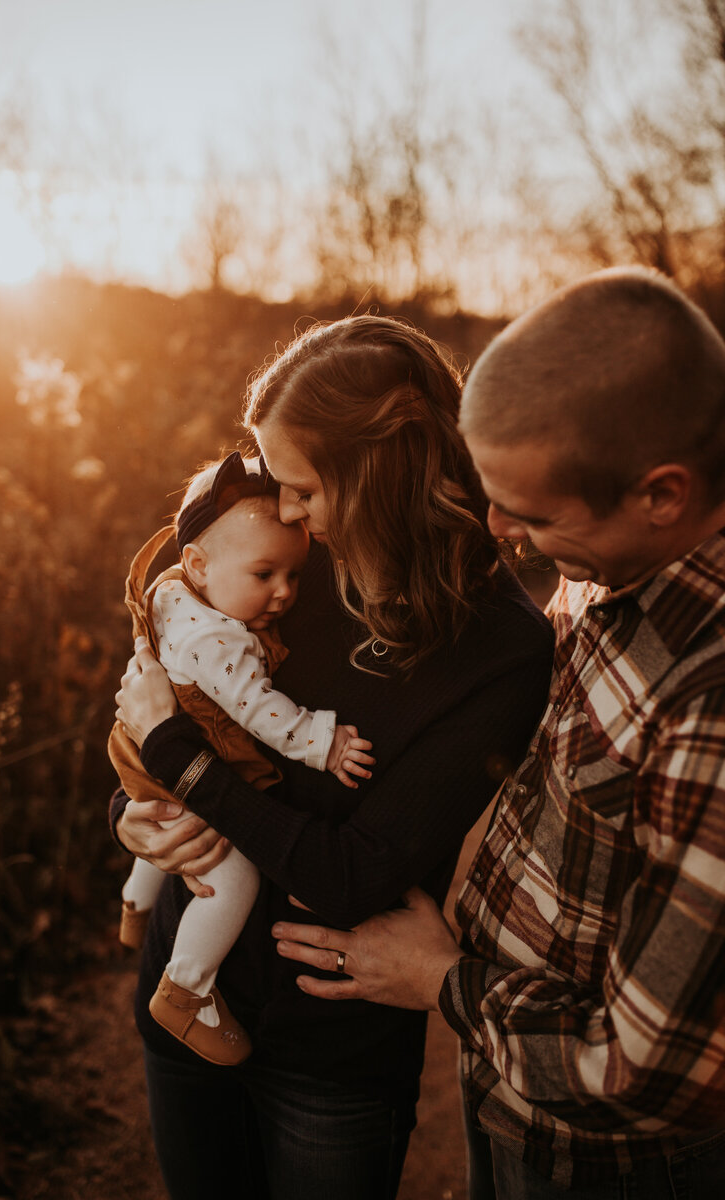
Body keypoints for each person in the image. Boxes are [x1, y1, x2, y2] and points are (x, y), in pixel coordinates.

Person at [271, 269, 725, 1199]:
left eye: (533, 513)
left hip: (610, 1162)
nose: (500, 531)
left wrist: (444, 978)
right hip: (512, 1093)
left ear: (664, 494)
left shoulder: (711, 710)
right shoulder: (613, 566)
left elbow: (640, 1072)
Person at [110, 315, 555, 1200]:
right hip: (185, 997)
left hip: (333, 1058)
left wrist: (185, 766)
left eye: (304, 488)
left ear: (378, 475)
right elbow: (166, 698)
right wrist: (134, 810)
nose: (283, 511)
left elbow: (347, 879)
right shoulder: (286, 561)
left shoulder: (500, 648)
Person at [109, 450, 373, 1066]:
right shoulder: (221, 641)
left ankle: (136, 904)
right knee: (231, 874)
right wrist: (323, 741)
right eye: (265, 575)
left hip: (139, 751)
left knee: (159, 821)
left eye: (294, 575)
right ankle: (185, 989)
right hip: (177, 756)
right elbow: (260, 712)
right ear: (200, 564)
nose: (283, 593)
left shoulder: (173, 589)